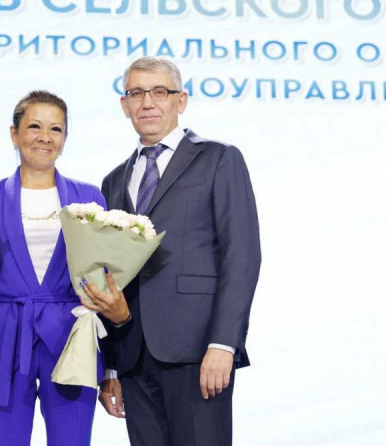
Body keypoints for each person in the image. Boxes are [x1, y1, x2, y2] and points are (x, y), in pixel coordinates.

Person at [81, 57, 261, 445]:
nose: (147, 102)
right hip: (133, 356)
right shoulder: (113, 181)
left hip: (197, 350)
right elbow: (109, 275)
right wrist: (110, 366)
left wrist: (223, 344)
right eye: (136, 93)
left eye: (159, 92)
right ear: (124, 105)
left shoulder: (218, 158)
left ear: (181, 100)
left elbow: (241, 256)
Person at [0, 90, 106, 446]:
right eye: (34, 126)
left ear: (65, 139)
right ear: (14, 133)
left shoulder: (90, 197)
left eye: (56, 129)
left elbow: (104, 279)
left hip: (71, 339)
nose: (44, 137)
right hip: (3, 341)